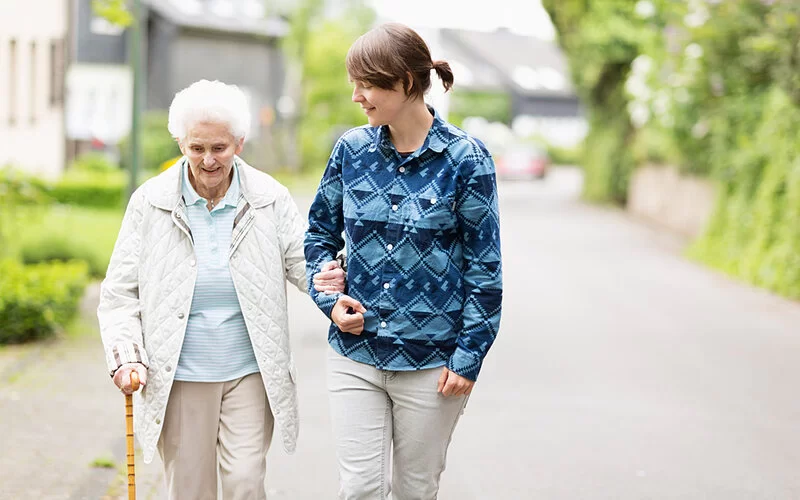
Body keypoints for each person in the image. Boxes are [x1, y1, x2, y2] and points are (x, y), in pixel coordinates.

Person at [98, 79, 345, 500]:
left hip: (249, 370)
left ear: (239, 143)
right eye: (197, 149)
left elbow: (305, 264)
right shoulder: (151, 202)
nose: (208, 160)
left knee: (246, 483)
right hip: (181, 374)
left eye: (220, 148)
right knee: (191, 490)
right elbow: (120, 294)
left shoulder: (269, 198)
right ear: (181, 144)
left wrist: (337, 277)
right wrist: (125, 358)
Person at [304, 23, 503, 499]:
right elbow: (317, 235)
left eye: (366, 84)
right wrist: (325, 294)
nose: (356, 96)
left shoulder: (466, 160)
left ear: (406, 83)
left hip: (433, 364)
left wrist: (469, 356)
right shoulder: (350, 150)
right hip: (355, 354)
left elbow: (485, 268)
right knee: (359, 489)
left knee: (415, 489)